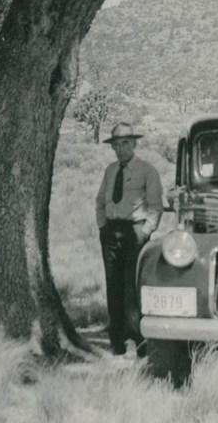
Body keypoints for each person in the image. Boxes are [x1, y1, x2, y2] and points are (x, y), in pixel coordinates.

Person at [96, 121, 164, 356]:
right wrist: (103, 227)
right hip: (111, 233)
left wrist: (145, 232)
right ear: (112, 146)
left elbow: (156, 206)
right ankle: (117, 339)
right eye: (116, 144)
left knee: (131, 287)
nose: (121, 148)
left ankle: (139, 340)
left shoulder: (147, 170)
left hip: (135, 233)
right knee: (113, 286)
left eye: (125, 143)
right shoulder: (110, 170)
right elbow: (100, 201)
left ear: (134, 143)